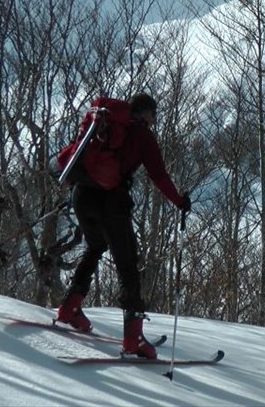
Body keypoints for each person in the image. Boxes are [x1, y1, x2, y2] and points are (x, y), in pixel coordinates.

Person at [55, 93, 191, 359]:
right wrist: (180, 202)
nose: (155, 120)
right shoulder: (142, 136)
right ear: (146, 113)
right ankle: (133, 337)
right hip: (111, 201)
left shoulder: (103, 125)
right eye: (154, 114)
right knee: (127, 264)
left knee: (95, 246)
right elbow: (159, 175)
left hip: (82, 195)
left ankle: (69, 307)